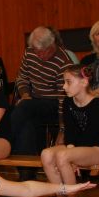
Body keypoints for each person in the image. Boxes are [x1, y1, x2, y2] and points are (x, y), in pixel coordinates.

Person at [41, 64, 99, 197]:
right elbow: (70, 131)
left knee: (63, 156)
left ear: (84, 82)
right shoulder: (68, 102)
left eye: (68, 82)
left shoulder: (98, 104)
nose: (64, 86)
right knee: (46, 154)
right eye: (64, 82)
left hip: (96, 149)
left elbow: (92, 135)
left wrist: (72, 156)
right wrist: (72, 150)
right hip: (75, 148)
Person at [11, 26, 72, 179]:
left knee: (24, 108)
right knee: (26, 124)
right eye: (36, 51)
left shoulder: (63, 61)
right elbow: (22, 77)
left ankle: (5, 137)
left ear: (52, 45)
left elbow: (63, 98)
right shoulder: (30, 52)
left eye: (43, 51)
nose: (39, 55)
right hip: (33, 101)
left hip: (54, 105)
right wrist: (25, 94)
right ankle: (27, 174)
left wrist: (62, 129)